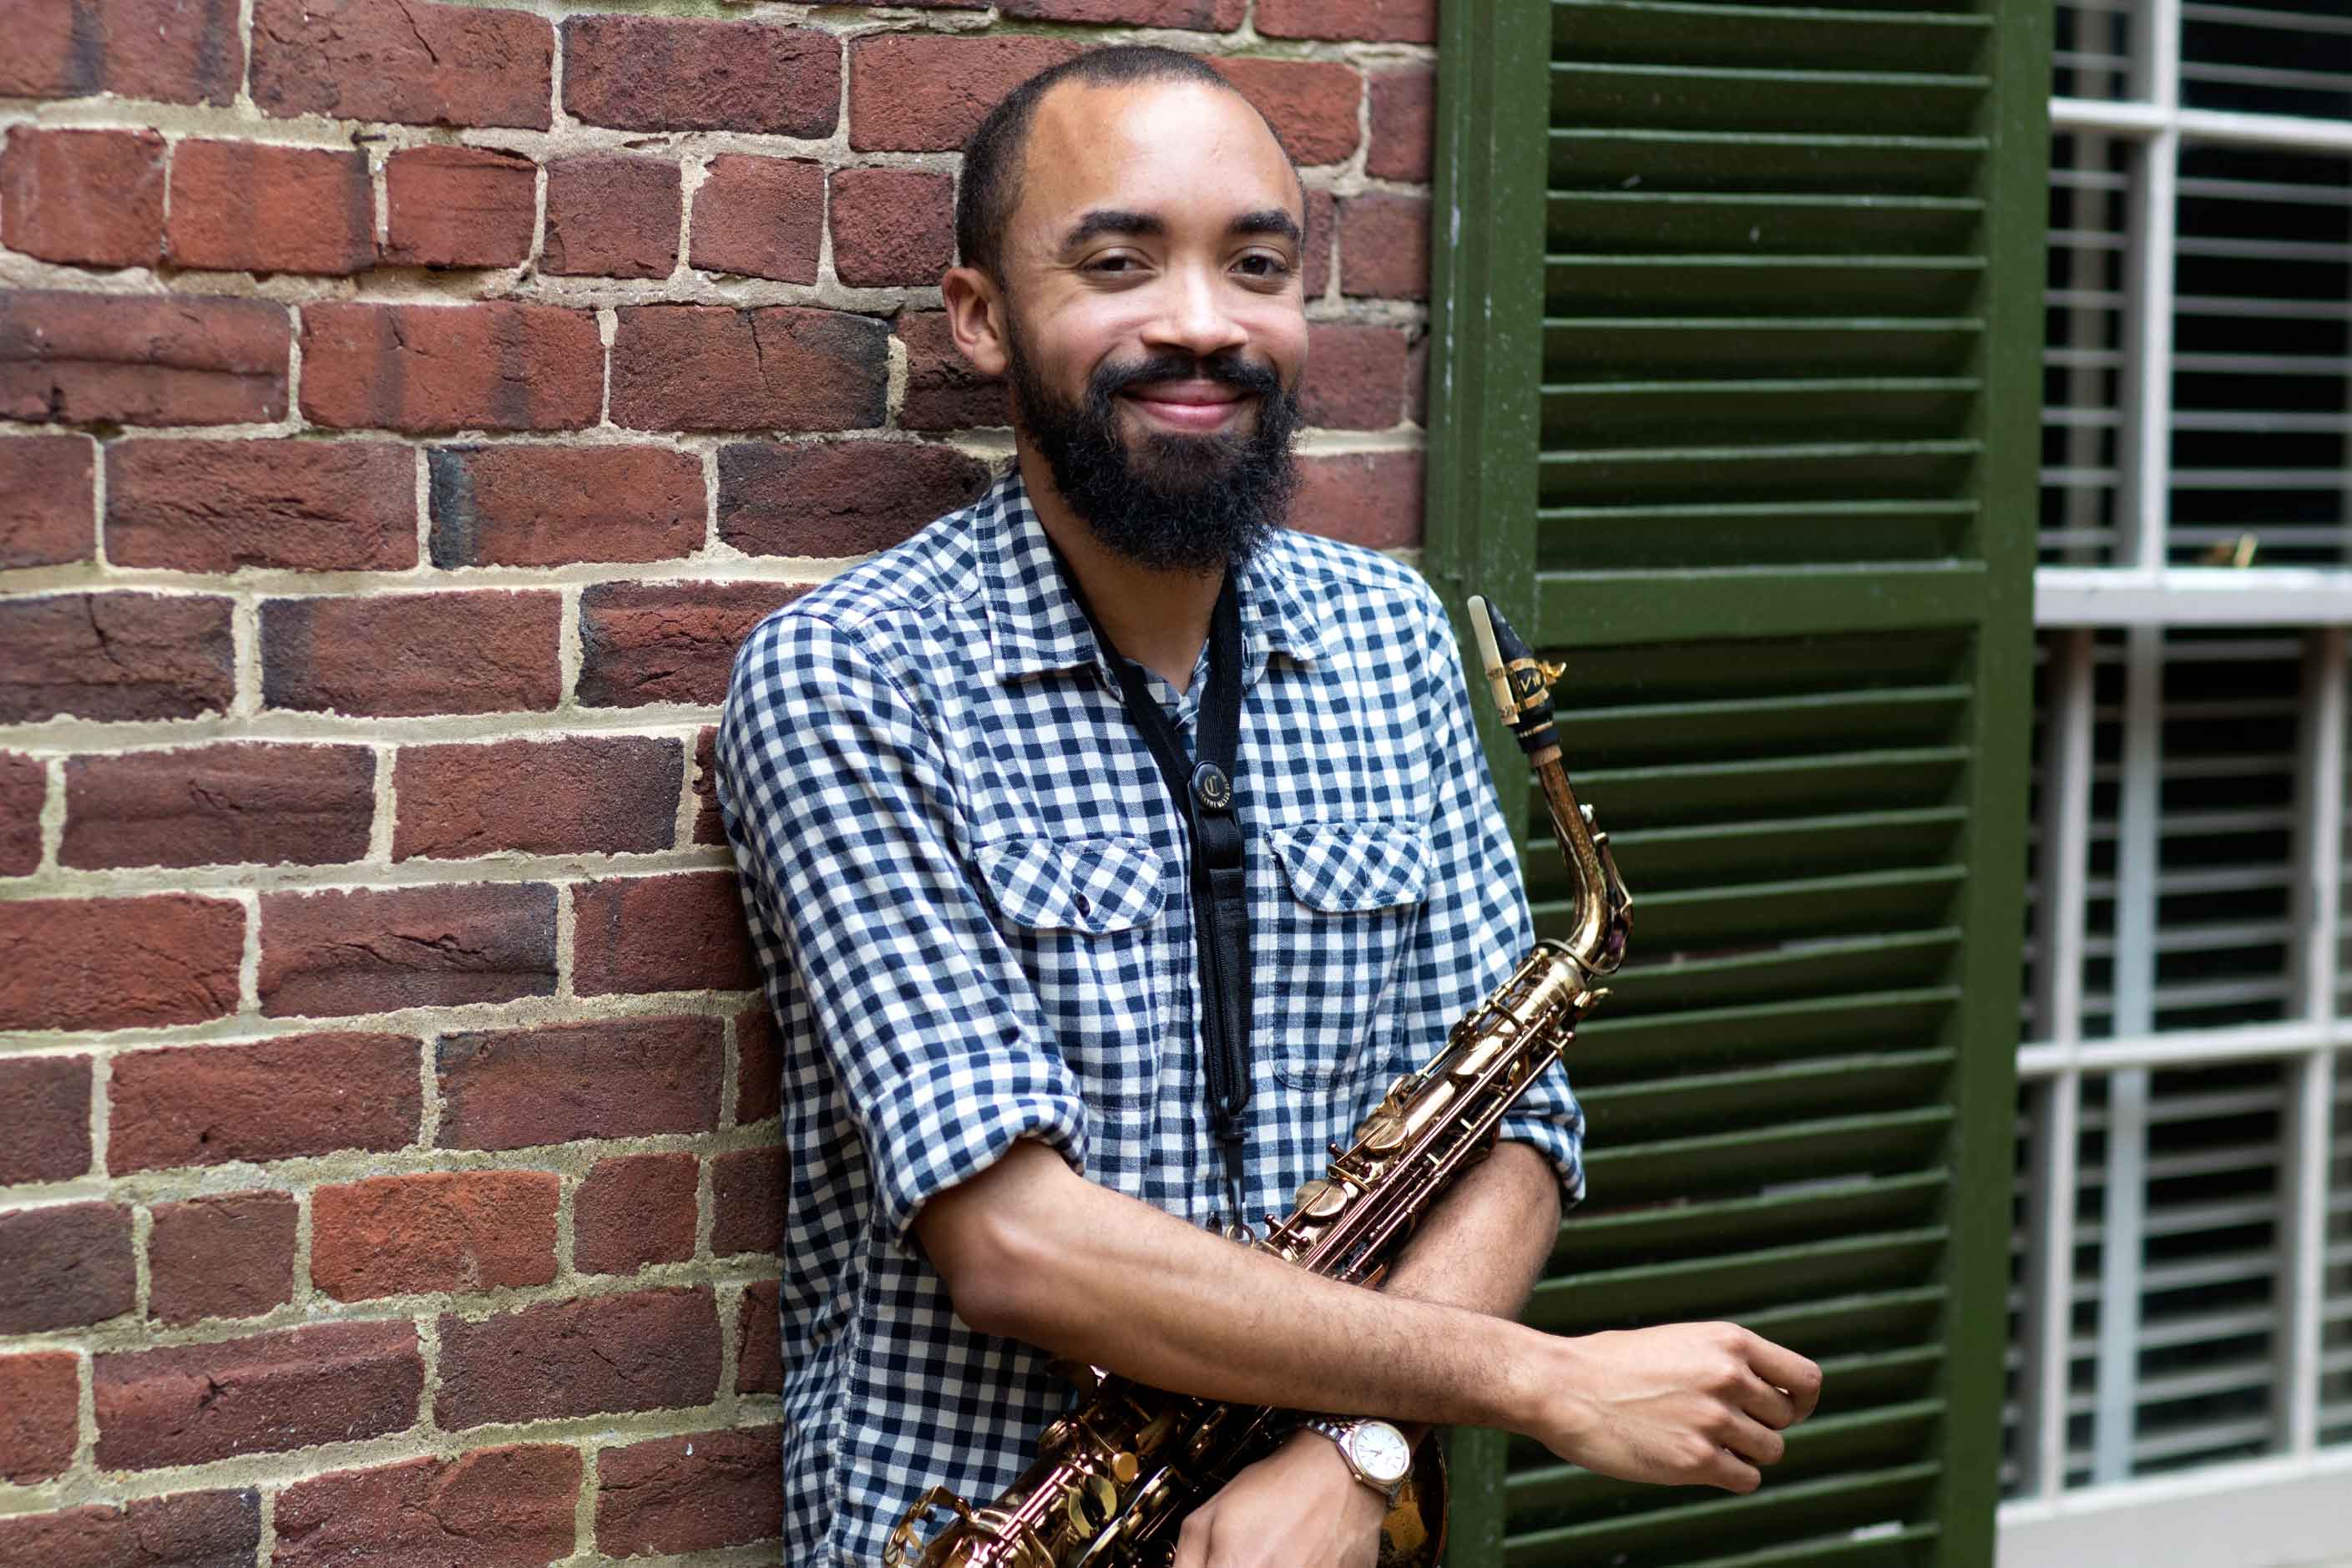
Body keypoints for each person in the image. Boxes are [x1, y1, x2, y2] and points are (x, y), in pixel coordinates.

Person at [714, 45, 1821, 1568]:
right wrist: (1538, 1379)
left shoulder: (1391, 632)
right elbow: (1016, 1243)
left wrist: (1353, 1459)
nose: (1200, 324)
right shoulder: (853, 676)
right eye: (1117, 262)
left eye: (1255, 265)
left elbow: (1514, 1128)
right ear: (982, 316)